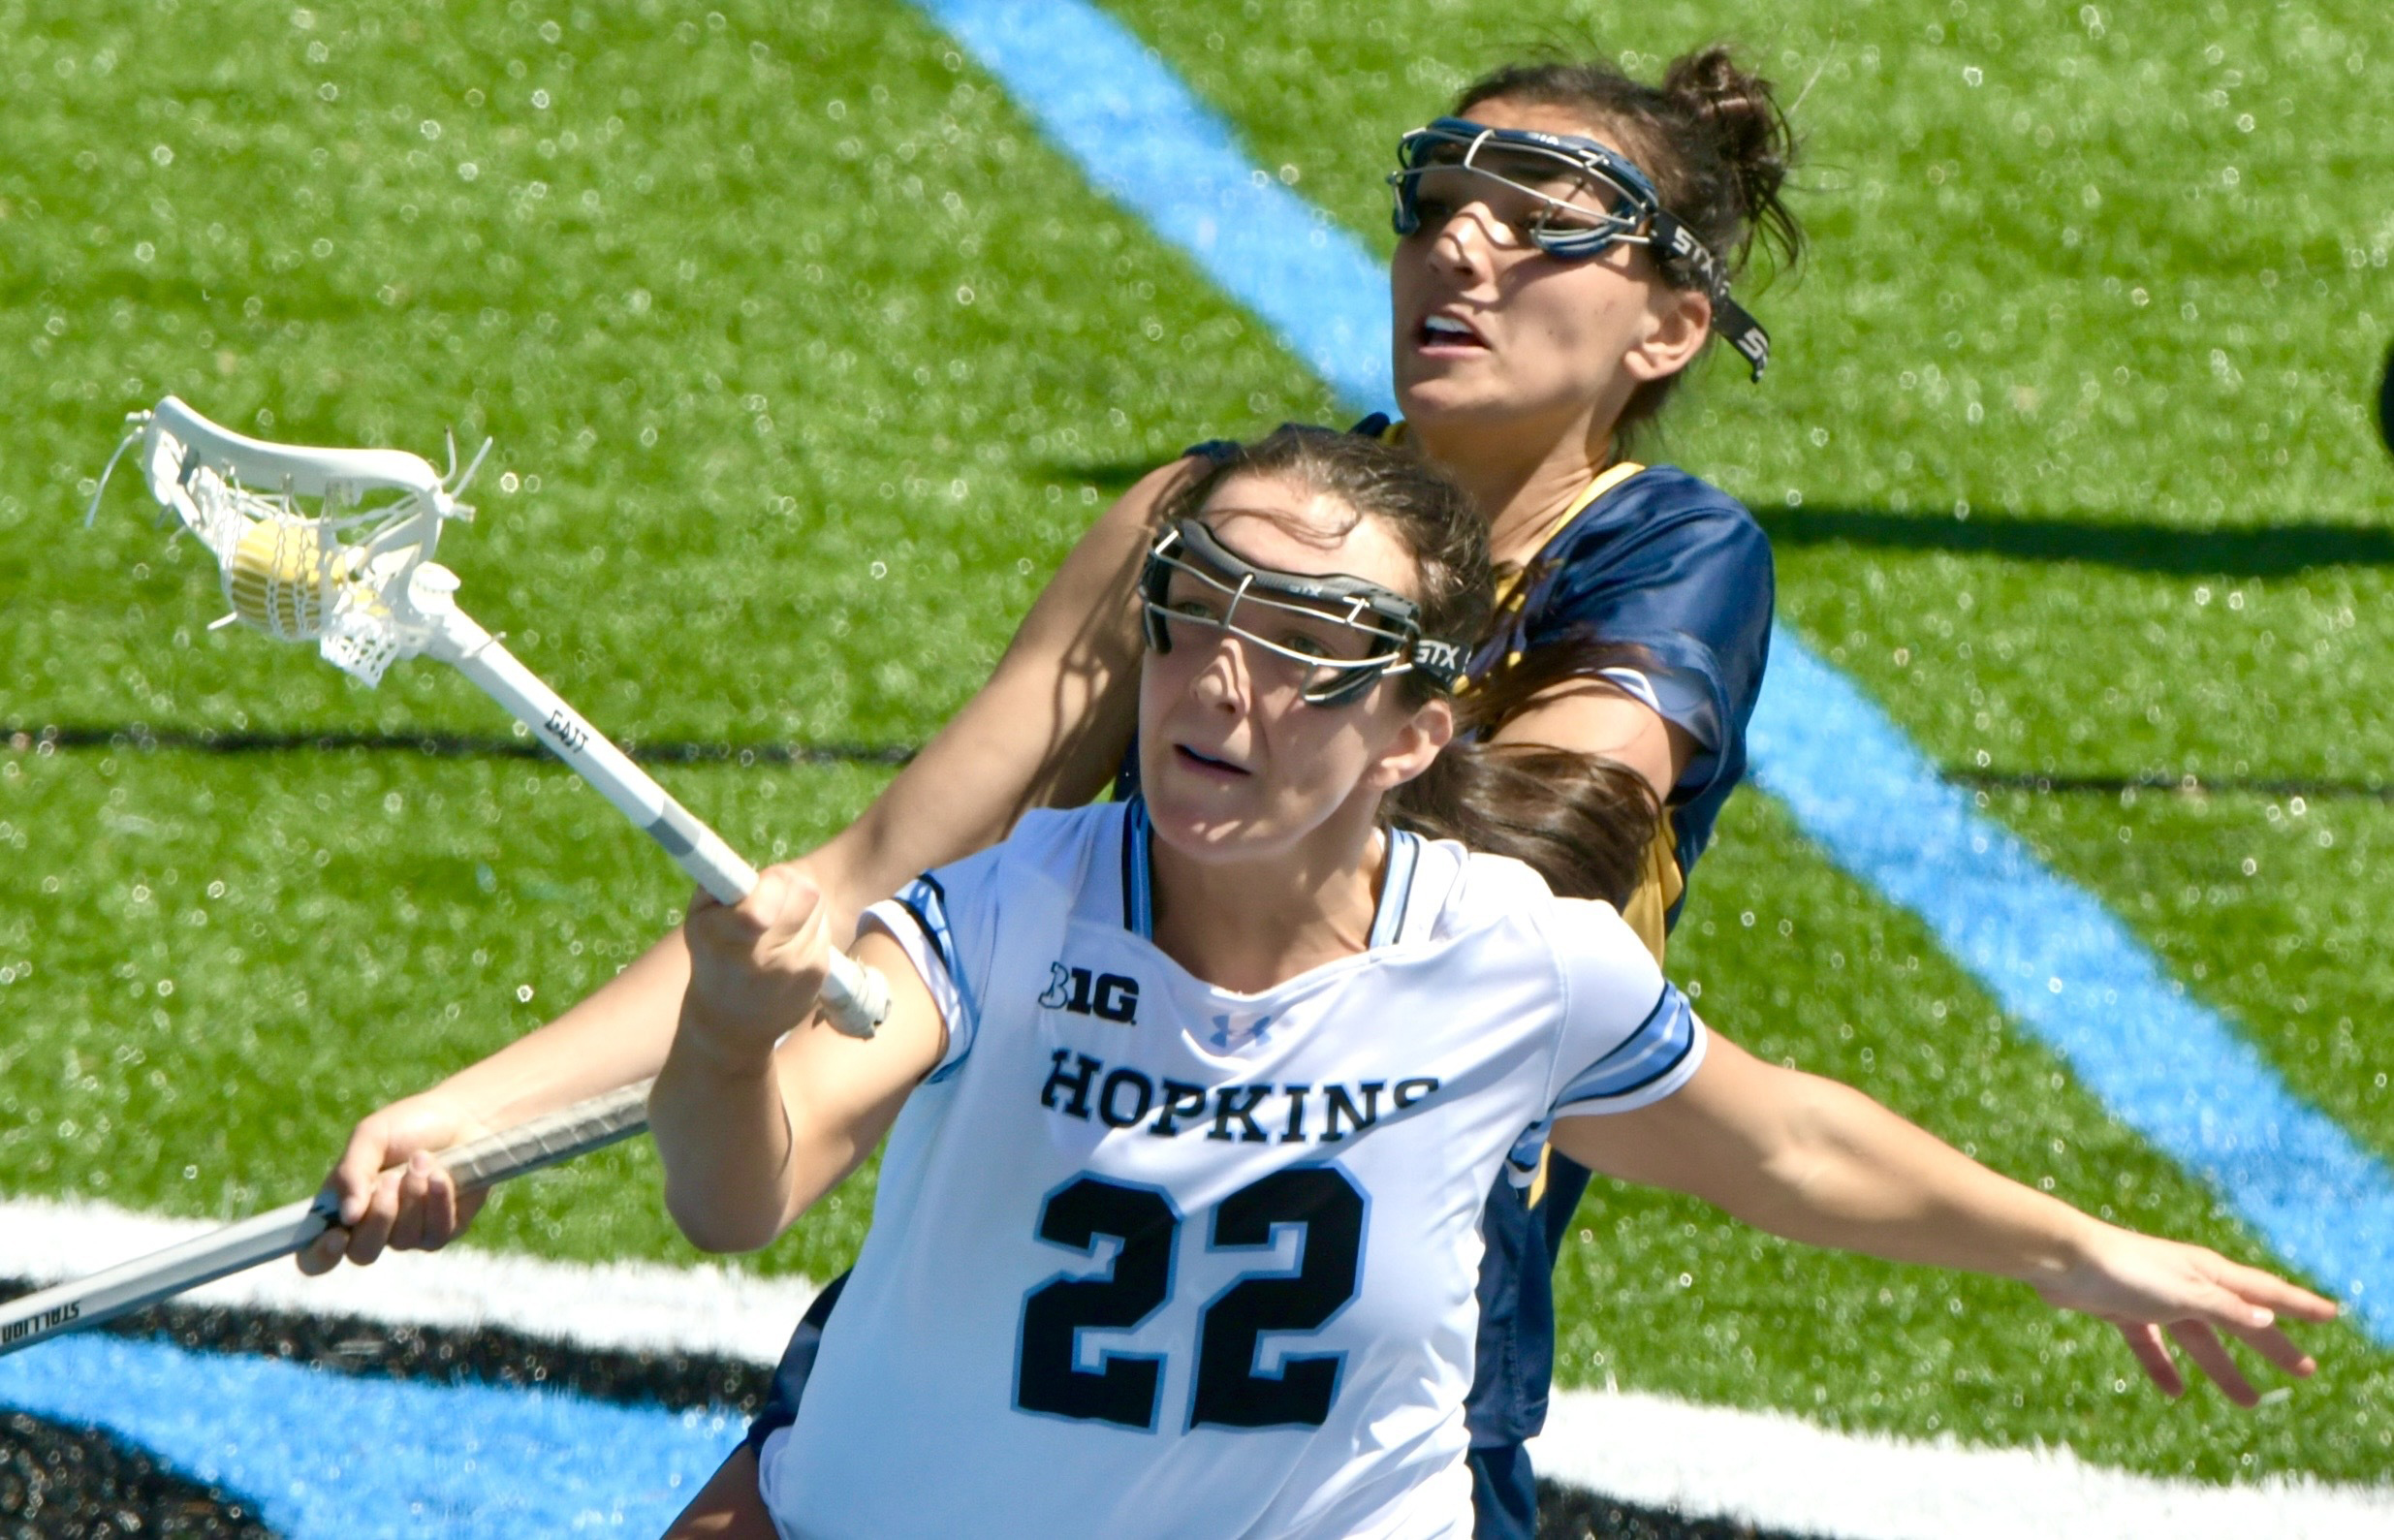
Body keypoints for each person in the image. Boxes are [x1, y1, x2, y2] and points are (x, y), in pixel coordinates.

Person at [310, 44, 1834, 1536]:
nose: (1460, 244)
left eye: (1540, 212)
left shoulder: (1665, 562)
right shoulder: (1199, 520)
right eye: (1433, 197)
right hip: (1017, 1292)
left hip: (1349, 1385)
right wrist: (471, 1111)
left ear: (1670, 326)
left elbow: (1537, 854)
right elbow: (874, 870)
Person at [649, 429, 2332, 1538]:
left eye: (1304, 647)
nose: (1221, 682)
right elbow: (747, 1191)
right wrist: (732, 1033)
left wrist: (2068, 1246)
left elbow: (1783, 1145)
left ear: (1414, 734)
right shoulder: (1004, 914)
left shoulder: (1508, 961)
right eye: (1191, 614)